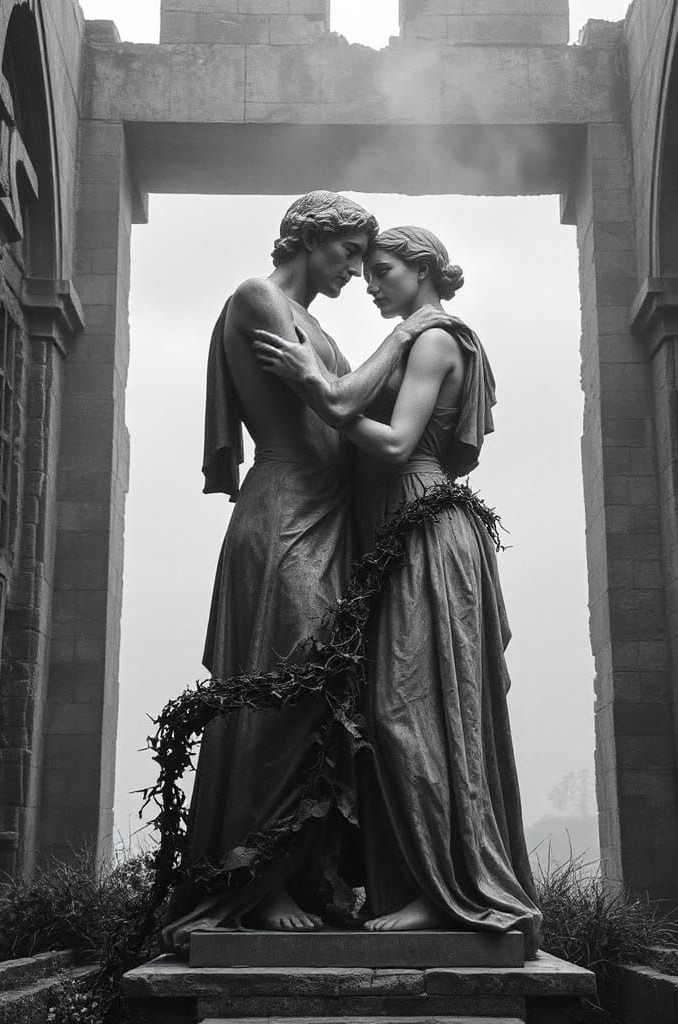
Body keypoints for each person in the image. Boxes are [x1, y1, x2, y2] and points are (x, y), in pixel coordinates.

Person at [161, 194, 440, 953]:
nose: (355, 269)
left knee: (328, 693)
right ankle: (259, 880)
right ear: (307, 240)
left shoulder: (318, 328)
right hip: (285, 514)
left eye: (363, 257)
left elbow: (351, 405)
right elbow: (340, 398)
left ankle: (315, 871)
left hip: (332, 516)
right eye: (346, 252)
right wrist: (418, 324)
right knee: (283, 682)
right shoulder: (259, 298)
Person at [253, 226, 543, 956]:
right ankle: (412, 884)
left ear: (422, 271)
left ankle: (444, 892)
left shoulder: (436, 340)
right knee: (396, 710)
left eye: (382, 270)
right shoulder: (412, 337)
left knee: (409, 709)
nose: (370, 282)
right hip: (395, 538)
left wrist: (311, 386)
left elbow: (391, 443)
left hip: (424, 533)